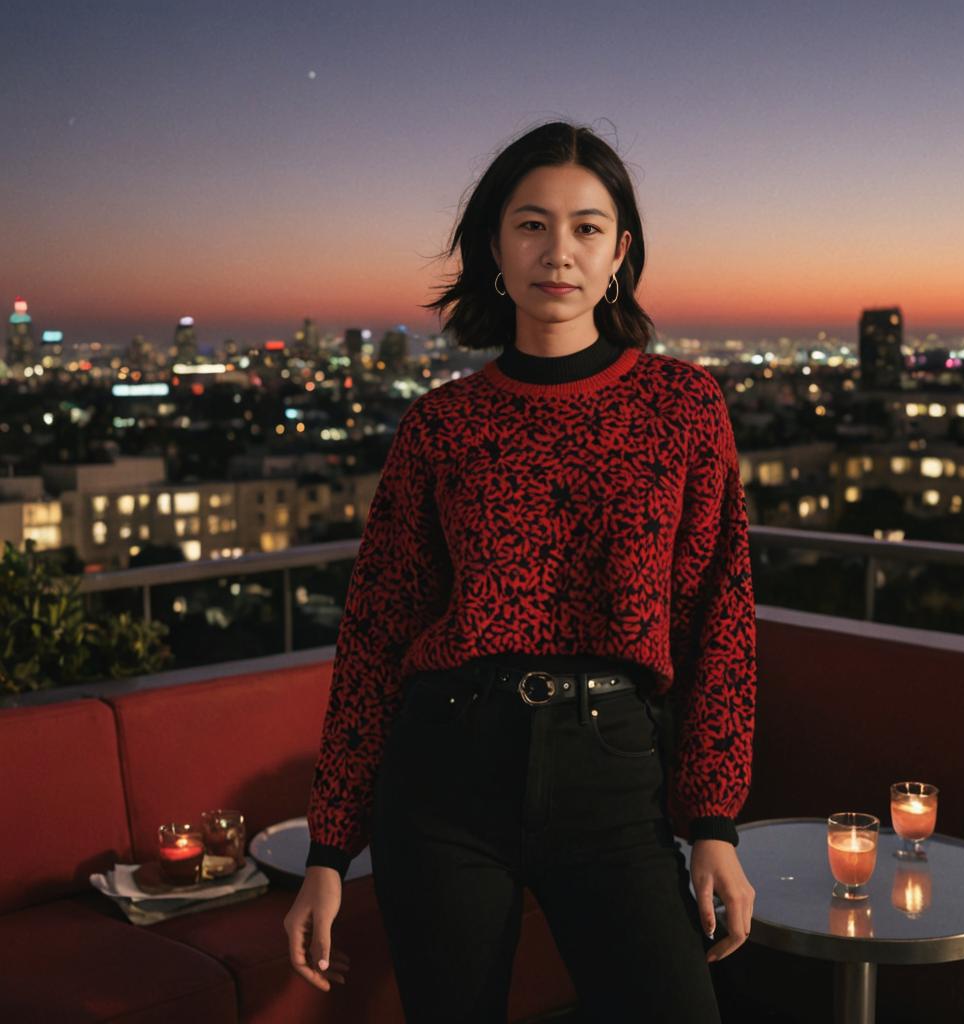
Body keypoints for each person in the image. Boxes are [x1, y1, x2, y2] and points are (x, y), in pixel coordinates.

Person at [284, 120, 757, 1023]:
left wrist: (712, 825)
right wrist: (327, 851)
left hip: (614, 773)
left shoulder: (683, 405)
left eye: (586, 227)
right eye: (532, 224)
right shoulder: (440, 425)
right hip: (444, 776)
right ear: (495, 248)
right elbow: (376, 635)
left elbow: (717, 619)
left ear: (620, 252)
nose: (559, 252)